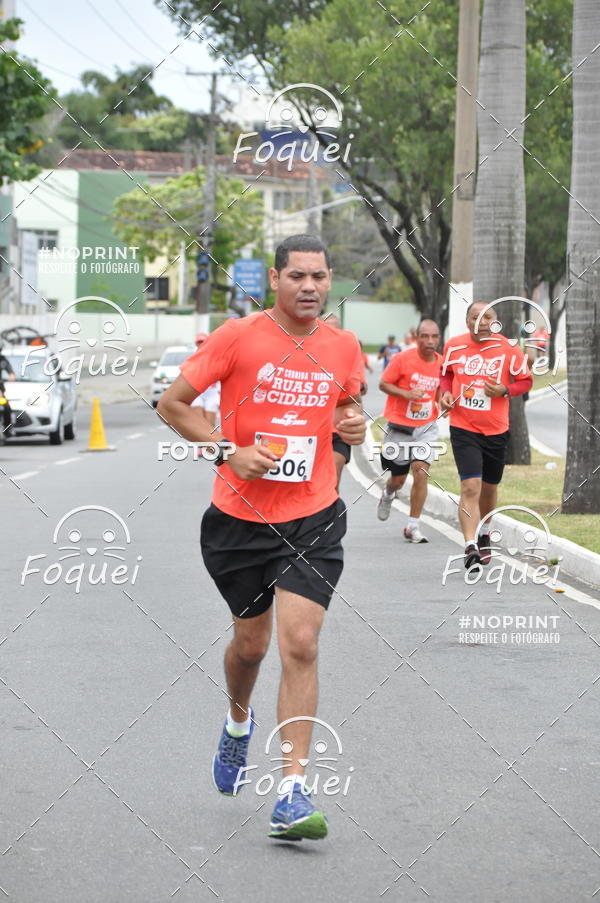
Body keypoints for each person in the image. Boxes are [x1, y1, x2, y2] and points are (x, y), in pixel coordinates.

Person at [157, 234, 365, 841]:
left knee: (300, 642)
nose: (310, 287)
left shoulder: (343, 344)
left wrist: (351, 424)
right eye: (298, 276)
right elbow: (174, 404)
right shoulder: (237, 337)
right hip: (239, 522)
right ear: (274, 279)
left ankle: (292, 791)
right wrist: (227, 451)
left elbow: (348, 410)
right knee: (250, 646)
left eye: (320, 277)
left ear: (330, 281)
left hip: (314, 515)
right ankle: (237, 720)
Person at [440, 301, 532, 570]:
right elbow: (445, 374)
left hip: (496, 429)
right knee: (470, 486)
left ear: (496, 321)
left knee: (489, 488)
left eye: (487, 317)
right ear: (467, 322)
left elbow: (525, 382)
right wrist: (445, 393)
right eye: (474, 317)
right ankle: (470, 546)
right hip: (463, 426)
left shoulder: (509, 349)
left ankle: (484, 532)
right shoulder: (454, 346)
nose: (480, 322)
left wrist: (504, 390)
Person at [377, 319, 441, 543]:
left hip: (426, 428)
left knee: (421, 472)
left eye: (434, 336)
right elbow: (383, 384)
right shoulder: (402, 359)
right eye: (425, 336)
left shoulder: (441, 364)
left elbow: (441, 393)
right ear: (417, 337)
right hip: (400, 427)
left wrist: (446, 402)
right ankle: (388, 494)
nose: (430, 341)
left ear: (438, 339)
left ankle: (413, 526)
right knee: (398, 480)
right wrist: (406, 394)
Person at [190, 334, 220, 429]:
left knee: (210, 425)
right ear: (196, 344)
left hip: (211, 392)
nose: (201, 344)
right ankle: (202, 443)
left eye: (203, 342)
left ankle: (209, 443)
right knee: (199, 423)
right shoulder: (193, 358)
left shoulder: (214, 357)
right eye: (199, 342)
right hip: (197, 393)